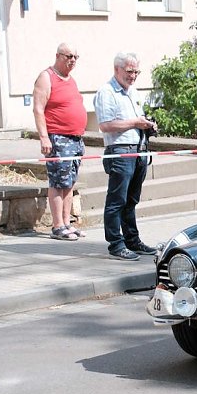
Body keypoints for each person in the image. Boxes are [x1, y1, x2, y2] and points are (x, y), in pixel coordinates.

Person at [94, 52, 159, 261]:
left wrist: (148, 125)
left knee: (131, 199)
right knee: (117, 200)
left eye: (136, 71)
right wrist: (135, 123)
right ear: (117, 69)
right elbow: (105, 125)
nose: (133, 76)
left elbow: (136, 119)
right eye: (129, 71)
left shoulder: (134, 92)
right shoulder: (106, 92)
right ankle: (115, 243)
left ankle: (132, 240)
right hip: (120, 151)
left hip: (139, 149)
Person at [32, 43, 87, 242]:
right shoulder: (46, 77)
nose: (72, 60)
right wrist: (44, 137)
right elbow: (38, 109)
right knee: (58, 182)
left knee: (70, 182)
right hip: (58, 138)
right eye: (69, 56)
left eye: (76, 57)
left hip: (74, 138)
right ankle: (57, 226)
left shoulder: (69, 79)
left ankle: (66, 222)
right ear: (58, 55)